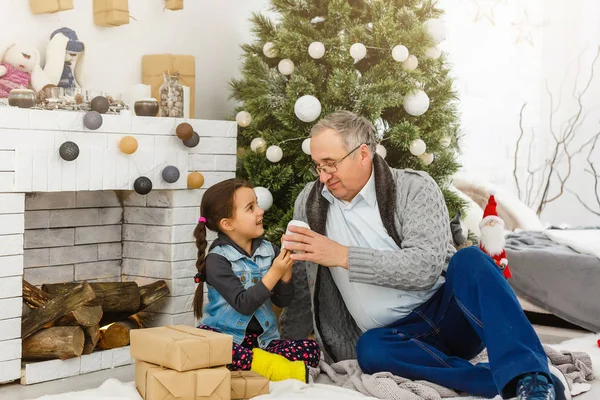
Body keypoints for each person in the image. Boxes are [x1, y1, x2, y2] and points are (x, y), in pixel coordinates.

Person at [280, 111, 570, 400]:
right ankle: (501, 381)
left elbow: (424, 267)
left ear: (363, 153)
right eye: (318, 166)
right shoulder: (310, 203)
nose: (324, 175)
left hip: (448, 317)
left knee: (470, 259)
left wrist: (342, 255)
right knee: (369, 350)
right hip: (397, 339)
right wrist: (285, 347)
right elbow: (306, 285)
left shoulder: (414, 187)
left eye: (331, 164)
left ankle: (532, 378)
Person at [192, 178, 320, 382]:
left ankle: (257, 363)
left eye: (257, 204)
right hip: (228, 339)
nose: (260, 211)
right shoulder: (217, 260)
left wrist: (285, 271)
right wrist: (275, 272)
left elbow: (282, 301)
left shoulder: (269, 251)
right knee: (209, 349)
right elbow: (244, 304)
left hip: (263, 342)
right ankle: (272, 367)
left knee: (311, 349)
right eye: (250, 208)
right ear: (228, 224)